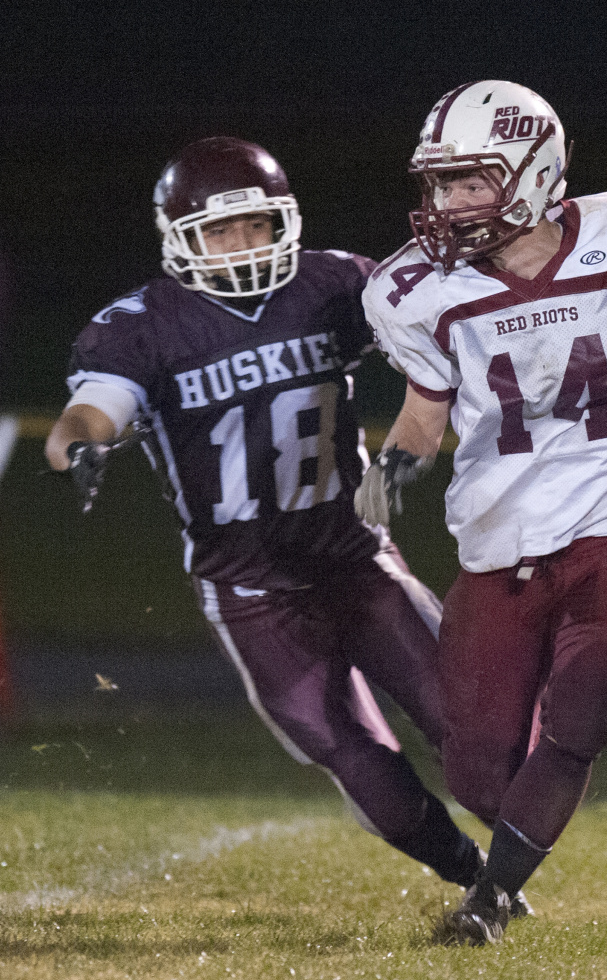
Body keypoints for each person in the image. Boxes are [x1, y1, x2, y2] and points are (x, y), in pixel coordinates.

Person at [356, 80, 607, 945]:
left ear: (536, 173)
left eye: (472, 182)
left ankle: (489, 899)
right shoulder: (415, 288)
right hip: (499, 537)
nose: (449, 205)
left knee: (591, 693)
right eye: (441, 184)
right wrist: (390, 469)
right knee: (478, 774)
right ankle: (522, 820)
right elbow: (428, 410)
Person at [45, 135, 486, 894]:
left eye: (254, 225)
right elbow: (93, 409)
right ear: (180, 238)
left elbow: (436, 333)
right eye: (220, 230)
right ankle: (476, 876)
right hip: (249, 588)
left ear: (284, 221)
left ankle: (521, 842)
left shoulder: (332, 284)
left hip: (355, 557)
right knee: (348, 750)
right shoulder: (143, 325)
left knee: (469, 716)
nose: (241, 244)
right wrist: (83, 443)